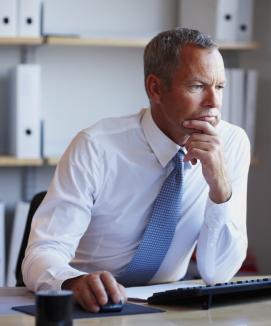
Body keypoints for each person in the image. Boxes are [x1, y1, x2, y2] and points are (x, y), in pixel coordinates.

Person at [22, 28, 250, 313]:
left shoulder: (231, 143)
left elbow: (218, 274)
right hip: (91, 307)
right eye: (196, 86)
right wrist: (73, 282)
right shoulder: (96, 147)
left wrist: (219, 186)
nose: (213, 103)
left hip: (170, 309)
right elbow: (41, 253)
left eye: (219, 87)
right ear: (155, 88)